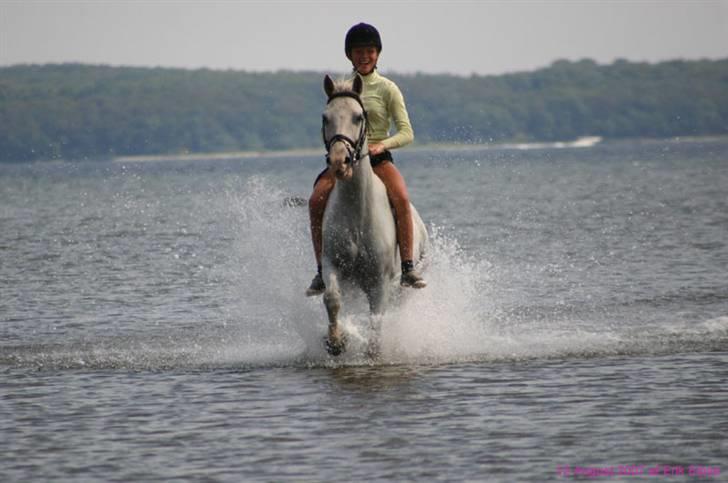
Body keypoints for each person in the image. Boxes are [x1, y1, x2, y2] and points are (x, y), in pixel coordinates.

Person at [307, 22, 426, 296]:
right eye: (359, 51)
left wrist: (381, 144)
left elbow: (407, 132)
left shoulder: (387, 89)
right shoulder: (340, 88)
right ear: (350, 55)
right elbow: (332, 125)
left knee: (401, 198)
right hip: (345, 160)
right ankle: (320, 274)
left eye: (370, 51)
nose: (364, 56)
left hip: (378, 160)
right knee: (315, 201)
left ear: (378, 54)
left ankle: (407, 267)